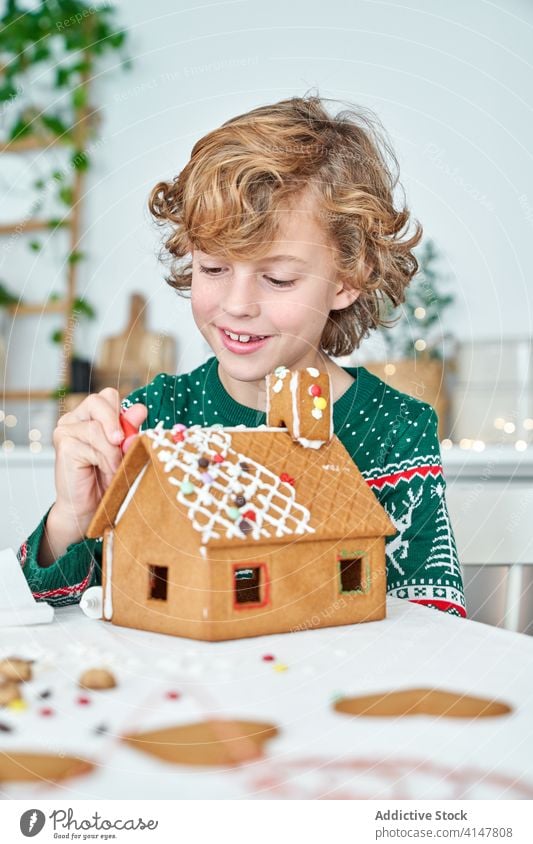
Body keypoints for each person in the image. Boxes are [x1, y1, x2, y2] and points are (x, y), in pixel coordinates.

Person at [17, 93, 466, 617]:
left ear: (348, 277)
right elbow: (48, 614)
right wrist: (71, 516)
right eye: (213, 269)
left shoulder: (395, 429)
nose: (236, 305)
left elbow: (438, 627)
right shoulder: (156, 421)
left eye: (277, 278)